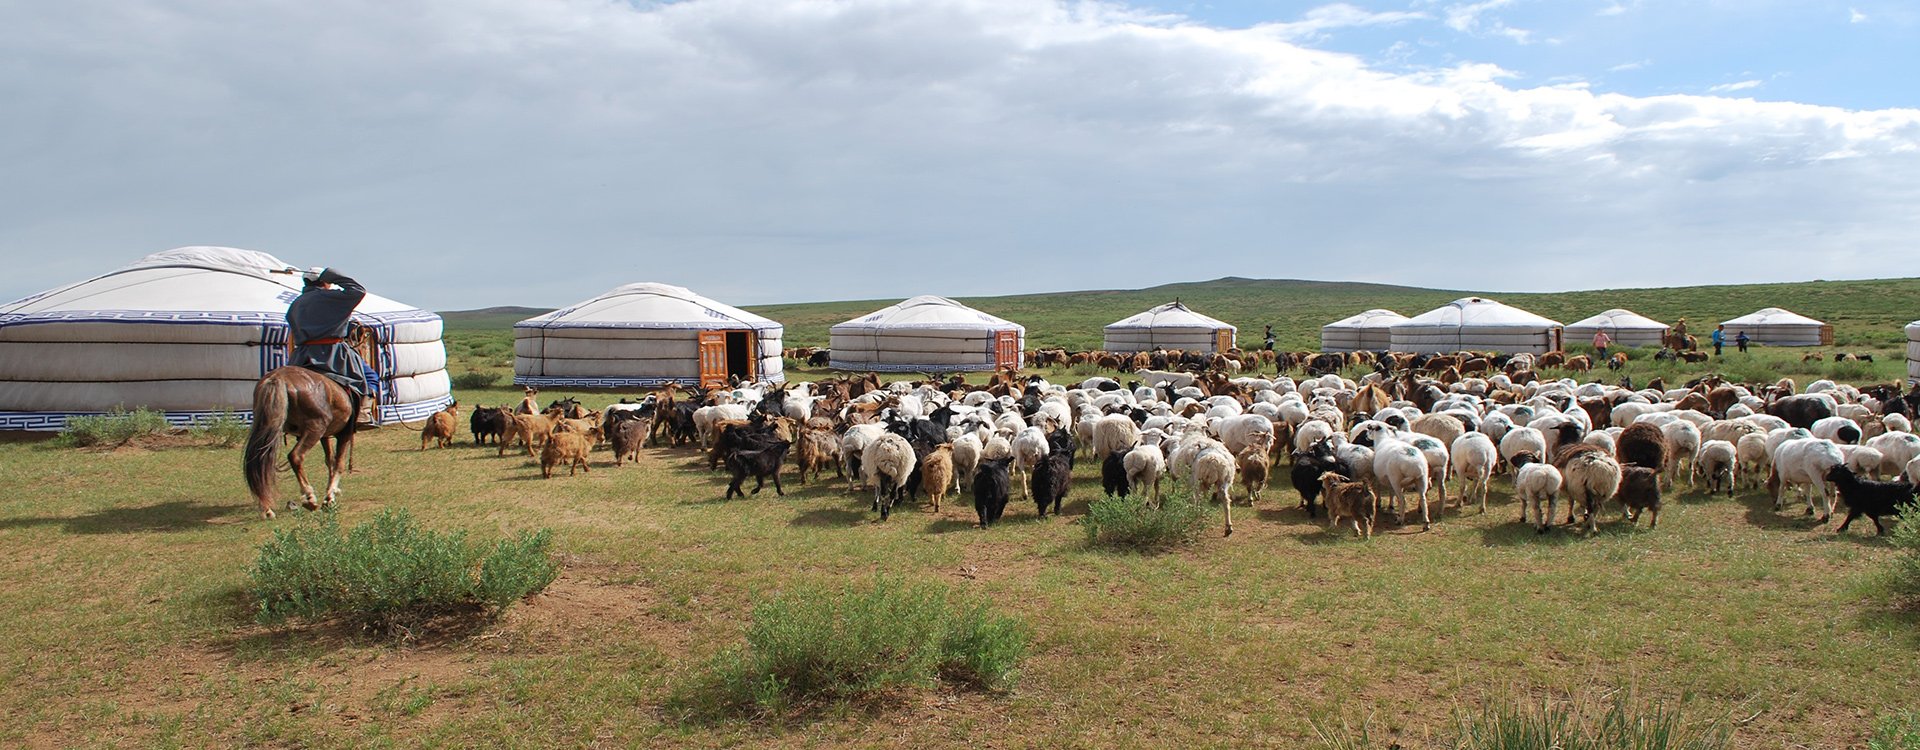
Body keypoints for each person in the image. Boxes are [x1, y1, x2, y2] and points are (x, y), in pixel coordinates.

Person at [287, 267, 375, 423]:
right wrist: (331, 275)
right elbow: (358, 290)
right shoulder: (331, 298)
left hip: (302, 355)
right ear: (324, 281)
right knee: (369, 376)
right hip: (332, 354)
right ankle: (363, 412)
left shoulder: (295, 303)